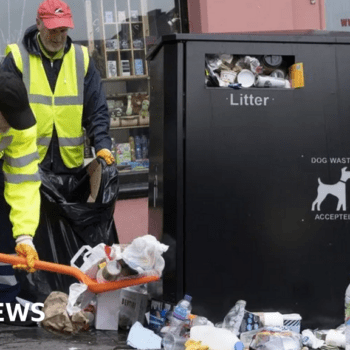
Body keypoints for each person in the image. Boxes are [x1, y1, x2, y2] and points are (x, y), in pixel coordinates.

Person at [1, 0, 115, 175]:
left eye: (62, 30)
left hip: (69, 167)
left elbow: (96, 110)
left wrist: (102, 146)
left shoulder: (81, 59)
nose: (57, 37)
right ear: (38, 23)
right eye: (52, 30)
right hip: (26, 163)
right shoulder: (17, 58)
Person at [0, 72, 41, 325]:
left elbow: (23, 181)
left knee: (5, 232)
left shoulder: (21, 126)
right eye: (6, 121)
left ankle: (5, 303)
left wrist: (24, 235)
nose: (11, 127)